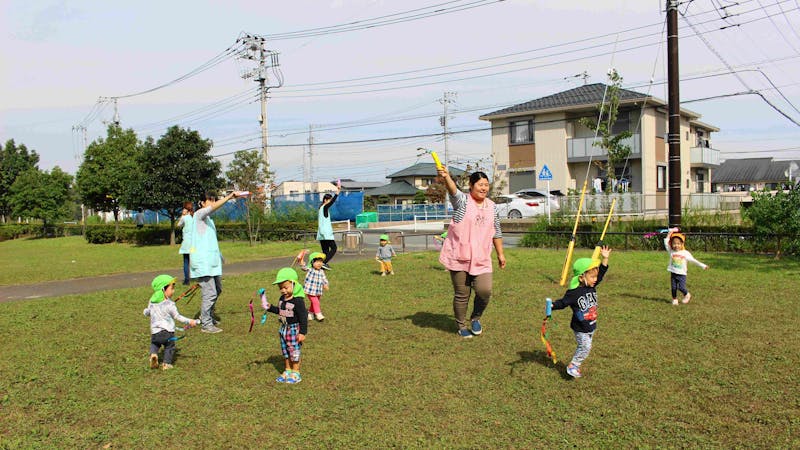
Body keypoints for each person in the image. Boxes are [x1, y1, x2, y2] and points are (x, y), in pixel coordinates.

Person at [436, 167, 506, 338]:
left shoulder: (492, 207)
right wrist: (446, 178)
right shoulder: (463, 202)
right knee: (462, 294)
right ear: (471, 186)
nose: (484, 188)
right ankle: (461, 326)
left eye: (486, 185)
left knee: (485, 291)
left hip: (482, 257)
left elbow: (496, 231)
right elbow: (453, 190)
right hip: (460, 256)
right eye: (480, 185)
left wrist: (500, 254)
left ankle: (476, 318)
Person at [191, 190, 247, 333]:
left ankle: (207, 316)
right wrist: (229, 197)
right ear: (202, 203)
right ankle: (206, 324)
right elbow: (212, 208)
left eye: (214, 199)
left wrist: (220, 255)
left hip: (212, 263)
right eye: (210, 200)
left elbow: (209, 240)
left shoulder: (209, 221)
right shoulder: (198, 215)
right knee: (210, 293)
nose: (213, 202)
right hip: (203, 264)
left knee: (217, 290)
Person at [550, 246, 611, 378]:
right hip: (580, 327)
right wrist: (552, 305)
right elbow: (563, 302)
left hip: (591, 325)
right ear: (582, 277)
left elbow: (601, 273)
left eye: (595, 277)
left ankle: (576, 365)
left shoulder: (592, 285)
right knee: (585, 348)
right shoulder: (574, 293)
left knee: (586, 346)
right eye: (592, 276)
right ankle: (573, 365)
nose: (595, 279)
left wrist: (605, 258)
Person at [261, 267, 309, 384]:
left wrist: (302, 332)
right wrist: (270, 307)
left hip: (293, 330)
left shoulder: (298, 301)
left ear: (294, 284)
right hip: (283, 329)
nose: (283, 290)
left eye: (286, 287)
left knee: (294, 351)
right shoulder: (282, 298)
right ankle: (288, 370)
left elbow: (303, 317)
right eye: (280, 288)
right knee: (286, 351)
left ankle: (296, 372)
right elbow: (280, 311)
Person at [143, 274, 198, 370]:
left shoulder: (152, 301)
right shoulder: (170, 304)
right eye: (172, 288)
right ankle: (166, 363)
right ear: (163, 289)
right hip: (168, 332)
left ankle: (153, 354)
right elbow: (177, 317)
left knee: (155, 344)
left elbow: (148, 312)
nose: (174, 291)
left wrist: (146, 311)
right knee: (169, 346)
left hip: (155, 332)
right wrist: (190, 321)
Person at [664, 228, 709, 305]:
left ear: (682, 244)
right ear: (671, 244)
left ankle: (687, 294)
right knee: (674, 288)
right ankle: (674, 299)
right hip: (673, 273)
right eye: (674, 243)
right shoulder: (671, 251)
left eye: (678, 244)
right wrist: (670, 233)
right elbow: (666, 242)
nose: (676, 245)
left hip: (682, 274)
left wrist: (702, 265)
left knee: (681, 287)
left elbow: (693, 260)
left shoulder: (685, 253)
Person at [299, 252, 329, 321]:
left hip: (318, 290)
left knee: (314, 302)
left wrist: (325, 284)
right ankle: (318, 313)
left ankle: (310, 313)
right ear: (312, 262)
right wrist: (302, 263)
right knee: (316, 302)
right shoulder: (310, 269)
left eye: (321, 261)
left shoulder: (321, 271)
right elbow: (304, 268)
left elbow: (324, 279)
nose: (319, 263)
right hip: (310, 290)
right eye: (317, 262)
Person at [316, 185, 341, 269]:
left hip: (321, 233)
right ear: (325, 200)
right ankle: (322, 263)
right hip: (326, 233)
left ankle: (323, 265)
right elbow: (332, 202)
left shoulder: (320, 208)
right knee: (334, 248)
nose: (330, 202)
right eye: (329, 200)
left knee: (325, 251)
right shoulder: (325, 207)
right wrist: (337, 193)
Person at [177, 201, 194, 285]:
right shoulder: (193, 217)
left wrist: (182, 215)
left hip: (187, 242)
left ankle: (187, 280)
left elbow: (178, 225)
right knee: (194, 260)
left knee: (186, 261)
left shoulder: (185, 217)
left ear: (185, 209)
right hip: (194, 242)